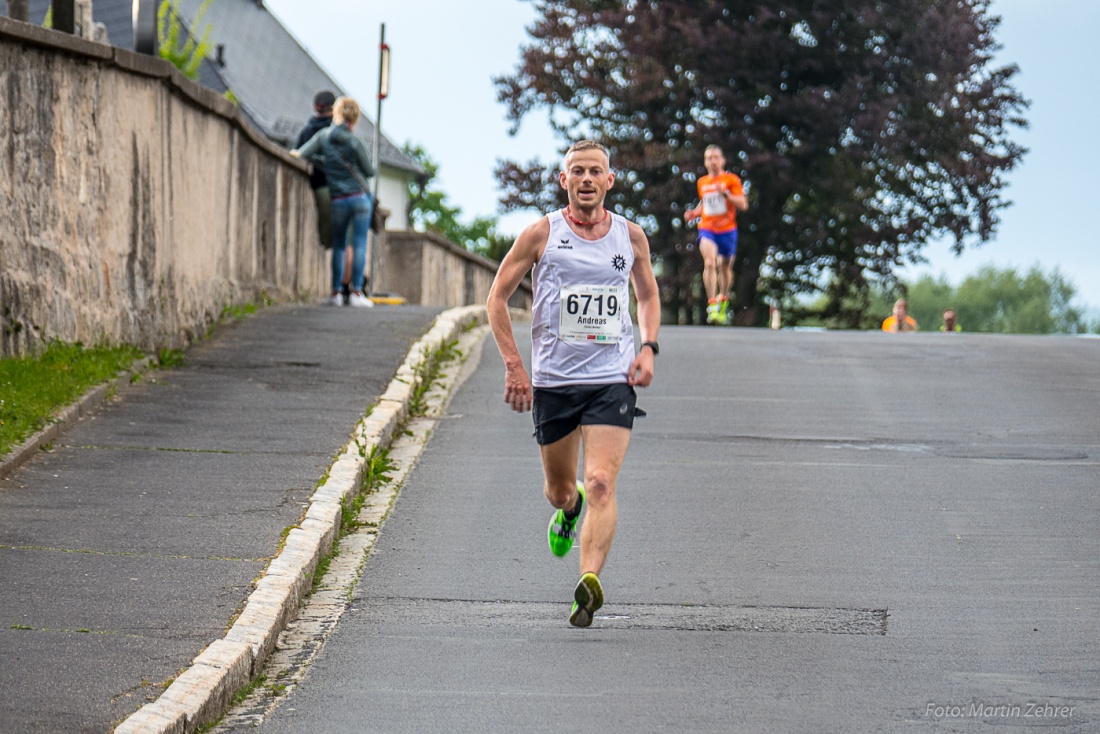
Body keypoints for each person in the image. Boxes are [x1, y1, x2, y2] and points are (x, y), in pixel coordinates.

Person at [486, 140, 661, 628]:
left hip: (612, 378)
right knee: (561, 490)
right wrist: (514, 366)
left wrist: (648, 347)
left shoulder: (630, 236)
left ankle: (587, 583)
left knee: (603, 480)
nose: (586, 179)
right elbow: (497, 298)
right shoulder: (541, 234)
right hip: (555, 381)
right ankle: (569, 508)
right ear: (564, 181)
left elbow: (646, 294)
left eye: (595, 171)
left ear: (610, 181)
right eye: (577, 171)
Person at [295, 96, 376, 308]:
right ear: (355, 118)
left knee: (339, 246)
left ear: (336, 113)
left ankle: (335, 293)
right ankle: (357, 293)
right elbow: (369, 171)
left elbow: (302, 154)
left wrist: (326, 163)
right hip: (359, 198)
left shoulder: (324, 136)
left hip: (338, 199)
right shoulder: (355, 141)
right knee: (359, 245)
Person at [685, 145, 748, 325]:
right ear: (705, 162)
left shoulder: (731, 180)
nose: (712, 161)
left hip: (728, 230)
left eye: (715, 157)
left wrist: (726, 194)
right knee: (710, 262)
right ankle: (712, 303)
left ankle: (724, 298)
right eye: (708, 158)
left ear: (722, 160)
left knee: (725, 267)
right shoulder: (702, 182)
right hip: (707, 228)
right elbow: (705, 203)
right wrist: (694, 214)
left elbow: (743, 204)